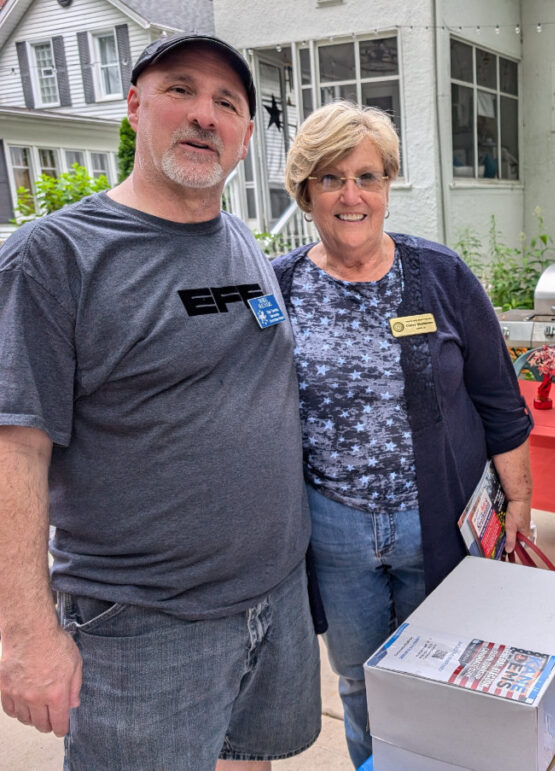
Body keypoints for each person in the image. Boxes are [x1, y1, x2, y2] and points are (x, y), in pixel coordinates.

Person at [0, 34, 321, 768]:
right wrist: (25, 634)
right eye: (181, 89)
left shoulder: (239, 240)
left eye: (227, 103)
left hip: (274, 595)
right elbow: (14, 449)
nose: (205, 115)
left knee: (251, 759)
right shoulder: (54, 256)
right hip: (144, 623)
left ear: (243, 136)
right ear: (134, 106)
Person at [274, 100, 533, 767]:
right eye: (331, 178)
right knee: (362, 682)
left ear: (389, 185)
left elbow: (499, 398)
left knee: (447, 671)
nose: (351, 195)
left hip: (439, 517)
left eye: (368, 175)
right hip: (334, 530)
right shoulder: (279, 286)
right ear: (306, 191)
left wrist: (521, 502)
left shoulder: (439, 275)